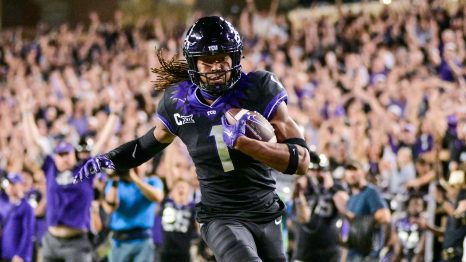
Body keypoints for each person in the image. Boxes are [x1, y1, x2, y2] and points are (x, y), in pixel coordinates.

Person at [76, 16, 311, 262]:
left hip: (265, 211)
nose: (216, 68)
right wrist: (107, 160)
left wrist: (246, 143)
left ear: (236, 57)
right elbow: (144, 147)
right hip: (220, 216)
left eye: (222, 59)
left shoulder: (259, 88)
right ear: (193, 64)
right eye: (207, 61)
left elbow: (301, 162)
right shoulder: (178, 103)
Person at [292, 154, 348, 262]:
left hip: (329, 253)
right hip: (305, 252)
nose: (313, 174)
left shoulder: (336, 187)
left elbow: (346, 209)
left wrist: (331, 188)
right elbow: (304, 218)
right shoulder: (304, 190)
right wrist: (299, 193)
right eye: (311, 170)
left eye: (318, 170)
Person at [104, 164, 164, 262]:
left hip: (142, 242)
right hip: (120, 242)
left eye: (139, 164)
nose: (134, 167)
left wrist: (134, 178)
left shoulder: (152, 182)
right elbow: (110, 208)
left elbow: (158, 197)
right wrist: (115, 182)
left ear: (147, 167)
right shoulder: (115, 184)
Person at [342, 160, 392, 262]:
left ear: (363, 172)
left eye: (354, 169)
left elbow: (385, 216)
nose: (351, 173)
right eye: (348, 170)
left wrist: (357, 219)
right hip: (352, 253)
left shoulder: (370, 192)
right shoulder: (351, 198)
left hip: (368, 256)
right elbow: (347, 229)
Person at [159, 178, 196, 262]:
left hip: (183, 251)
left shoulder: (193, 208)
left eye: (183, 187)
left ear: (188, 191)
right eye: (178, 187)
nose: (181, 189)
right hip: (165, 249)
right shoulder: (166, 203)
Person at [1, 173, 35, 262]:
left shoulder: (26, 207)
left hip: (17, 257)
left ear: (21, 186)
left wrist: (21, 255)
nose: (11, 187)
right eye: (9, 184)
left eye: (14, 184)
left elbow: (28, 232)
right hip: (5, 253)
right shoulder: (5, 204)